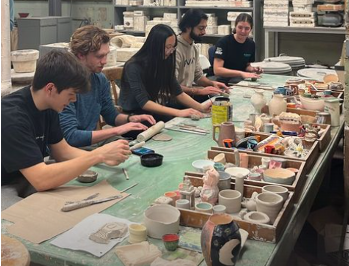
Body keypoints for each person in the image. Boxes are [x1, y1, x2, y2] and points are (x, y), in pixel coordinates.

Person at [1, 50, 131, 211]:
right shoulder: (12, 117)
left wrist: (104, 157)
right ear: (50, 89)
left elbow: (62, 152)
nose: (74, 100)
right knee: (22, 219)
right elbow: (40, 179)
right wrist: (99, 154)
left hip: (29, 173)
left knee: (87, 191)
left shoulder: (48, 105)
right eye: (71, 94)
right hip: (7, 183)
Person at [59, 25, 155, 149]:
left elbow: (110, 115)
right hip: (71, 149)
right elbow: (71, 137)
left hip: (92, 143)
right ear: (81, 54)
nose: (104, 61)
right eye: (99, 56)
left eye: (106, 55)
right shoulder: (65, 84)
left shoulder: (99, 79)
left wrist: (131, 119)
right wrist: (117, 130)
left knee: (131, 148)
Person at [118, 24, 211, 122]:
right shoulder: (133, 66)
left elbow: (178, 92)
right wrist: (179, 112)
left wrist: (201, 107)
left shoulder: (163, 61)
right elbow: (144, 103)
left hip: (150, 112)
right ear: (155, 46)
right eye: (167, 47)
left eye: (173, 47)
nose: (170, 52)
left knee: (181, 121)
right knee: (173, 122)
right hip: (132, 117)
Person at [175, 9, 229, 102]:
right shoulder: (174, 48)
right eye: (201, 28)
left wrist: (212, 84)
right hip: (175, 98)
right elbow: (172, 86)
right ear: (188, 27)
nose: (204, 32)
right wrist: (198, 91)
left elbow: (198, 76)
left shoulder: (194, 47)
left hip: (188, 96)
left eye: (205, 28)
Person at [213, 13, 263, 85]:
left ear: (251, 29)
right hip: (220, 79)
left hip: (238, 78)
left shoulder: (251, 44)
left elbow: (246, 66)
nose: (243, 31)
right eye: (240, 27)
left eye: (247, 28)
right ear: (235, 27)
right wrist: (241, 73)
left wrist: (253, 69)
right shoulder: (223, 42)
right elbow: (217, 70)